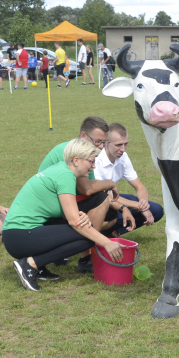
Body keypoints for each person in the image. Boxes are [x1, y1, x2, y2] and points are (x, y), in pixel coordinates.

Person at [3, 139, 132, 291]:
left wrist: (81, 216)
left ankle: (39, 267)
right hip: (19, 236)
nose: (94, 166)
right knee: (88, 236)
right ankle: (30, 264)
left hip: (18, 233)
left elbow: (66, 214)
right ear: (76, 161)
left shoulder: (62, 169)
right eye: (91, 161)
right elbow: (73, 221)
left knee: (87, 229)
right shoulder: (65, 175)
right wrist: (106, 242)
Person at [38, 116, 134, 276]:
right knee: (101, 201)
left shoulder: (85, 155)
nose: (101, 147)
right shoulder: (68, 152)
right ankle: (84, 256)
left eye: (104, 142)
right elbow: (87, 189)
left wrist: (123, 207)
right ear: (83, 135)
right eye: (98, 141)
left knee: (110, 214)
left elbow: (92, 190)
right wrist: (110, 183)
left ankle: (67, 249)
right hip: (47, 212)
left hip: (62, 204)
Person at [93, 123, 164, 232]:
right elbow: (104, 195)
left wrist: (143, 205)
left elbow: (139, 186)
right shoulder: (96, 160)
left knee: (156, 210)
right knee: (110, 214)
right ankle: (101, 232)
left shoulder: (123, 156)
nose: (123, 149)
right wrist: (137, 206)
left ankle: (115, 232)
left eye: (125, 144)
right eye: (118, 145)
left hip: (113, 198)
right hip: (98, 203)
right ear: (106, 142)